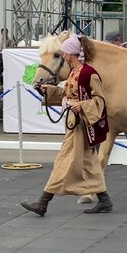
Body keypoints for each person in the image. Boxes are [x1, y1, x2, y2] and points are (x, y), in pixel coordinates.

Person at [21, 35, 113, 216]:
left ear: (71, 53)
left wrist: (83, 106)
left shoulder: (89, 73)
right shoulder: (74, 73)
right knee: (90, 163)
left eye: (65, 52)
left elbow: (100, 99)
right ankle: (104, 200)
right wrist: (51, 91)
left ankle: (43, 202)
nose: (64, 54)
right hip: (73, 123)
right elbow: (68, 94)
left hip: (80, 124)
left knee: (63, 161)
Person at [105, 30, 127, 168]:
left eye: (115, 41)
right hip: (112, 95)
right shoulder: (108, 57)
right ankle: (100, 157)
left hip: (126, 96)